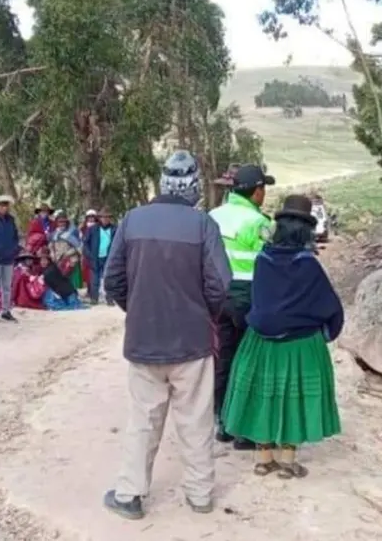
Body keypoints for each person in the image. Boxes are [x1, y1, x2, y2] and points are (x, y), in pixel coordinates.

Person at [102, 150, 231, 520]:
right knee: (196, 418)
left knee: (143, 419)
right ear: (193, 187)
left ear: (162, 182)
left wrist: (139, 310)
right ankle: (200, 495)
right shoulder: (203, 225)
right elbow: (219, 284)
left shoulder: (132, 220)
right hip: (192, 343)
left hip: (144, 341)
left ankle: (129, 495)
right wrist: (203, 314)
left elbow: (113, 280)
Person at [221, 194, 343, 479]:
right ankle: (287, 461)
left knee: (265, 397)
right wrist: (328, 329)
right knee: (292, 399)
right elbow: (328, 303)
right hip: (299, 345)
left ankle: (263, 459)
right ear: (305, 230)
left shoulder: (263, 259)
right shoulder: (307, 264)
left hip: (261, 340)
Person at [208, 164, 275, 450]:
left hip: (215, 296)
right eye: (264, 189)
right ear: (256, 190)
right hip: (248, 297)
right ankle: (244, 431)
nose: (265, 195)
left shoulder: (212, 217)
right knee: (249, 361)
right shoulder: (258, 222)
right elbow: (269, 263)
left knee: (224, 358)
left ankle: (223, 423)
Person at [83, 207, 117, 305]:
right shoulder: (92, 229)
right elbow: (86, 244)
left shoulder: (114, 229)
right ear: (100, 218)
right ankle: (94, 298)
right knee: (94, 279)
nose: (105, 219)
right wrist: (89, 255)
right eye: (103, 217)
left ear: (110, 218)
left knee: (109, 278)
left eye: (107, 217)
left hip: (108, 258)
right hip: (95, 257)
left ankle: (109, 299)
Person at [79, 209, 97, 288]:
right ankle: (88, 289)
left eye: (92, 217)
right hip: (86, 252)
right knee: (86, 272)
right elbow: (80, 239)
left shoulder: (98, 227)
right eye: (89, 217)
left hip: (96, 251)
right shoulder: (83, 228)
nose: (91, 218)